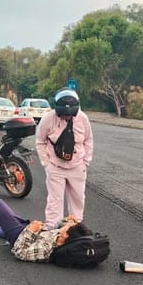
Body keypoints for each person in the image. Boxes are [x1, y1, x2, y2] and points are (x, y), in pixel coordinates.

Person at [0, 198, 92, 262]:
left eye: (66, 228)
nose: (65, 226)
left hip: (20, 236)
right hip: (31, 230)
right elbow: (66, 231)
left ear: (65, 237)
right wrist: (69, 222)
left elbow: (20, 252)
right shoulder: (65, 239)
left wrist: (31, 230)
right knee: (3, 223)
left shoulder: (46, 249)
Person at [35, 88, 94, 228]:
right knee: (55, 200)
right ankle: (53, 229)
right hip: (55, 166)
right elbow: (40, 141)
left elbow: (88, 140)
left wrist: (86, 162)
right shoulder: (48, 118)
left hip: (77, 165)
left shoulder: (83, 118)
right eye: (63, 115)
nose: (66, 117)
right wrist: (46, 164)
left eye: (70, 115)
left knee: (78, 199)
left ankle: (75, 227)